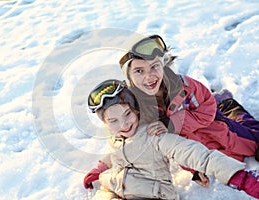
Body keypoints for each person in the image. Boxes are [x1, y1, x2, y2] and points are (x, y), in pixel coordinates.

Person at [85, 79, 259, 199]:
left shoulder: (155, 136)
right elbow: (118, 152)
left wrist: (241, 179)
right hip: (117, 188)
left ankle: (225, 104)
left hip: (153, 195)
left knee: (250, 138)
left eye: (127, 114)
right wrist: (101, 167)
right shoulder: (116, 136)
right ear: (105, 123)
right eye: (113, 121)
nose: (123, 125)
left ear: (136, 110)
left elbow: (197, 155)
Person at [117, 34, 259, 161]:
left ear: (163, 64)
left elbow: (207, 110)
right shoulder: (136, 107)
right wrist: (194, 170)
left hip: (215, 128)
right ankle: (223, 102)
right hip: (197, 150)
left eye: (154, 66)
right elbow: (171, 145)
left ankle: (227, 104)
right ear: (129, 75)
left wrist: (171, 124)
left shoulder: (184, 86)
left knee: (251, 144)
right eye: (139, 71)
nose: (149, 76)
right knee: (223, 161)